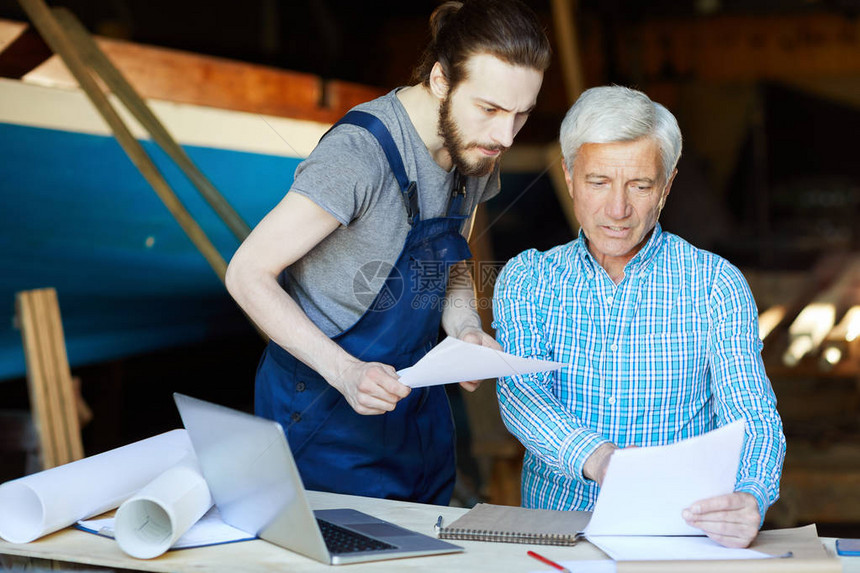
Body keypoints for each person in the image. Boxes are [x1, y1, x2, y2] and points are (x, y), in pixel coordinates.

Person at [225, 0, 551, 505]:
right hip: (321, 414)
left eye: (521, 115)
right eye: (489, 109)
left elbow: (453, 259)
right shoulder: (358, 156)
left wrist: (464, 329)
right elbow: (247, 273)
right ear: (441, 81)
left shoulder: (475, 151)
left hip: (414, 413)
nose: (504, 136)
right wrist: (345, 371)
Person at [493, 85, 785, 548]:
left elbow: (751, 414)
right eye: (598, 182)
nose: (617, 210)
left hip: (680, 533)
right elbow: (520, 394)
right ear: (569, 176)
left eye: (639, 185)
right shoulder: (528, 278)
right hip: (558, 532)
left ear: (665, 188)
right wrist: (602, 459)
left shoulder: (715, 284)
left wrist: (751, 496)